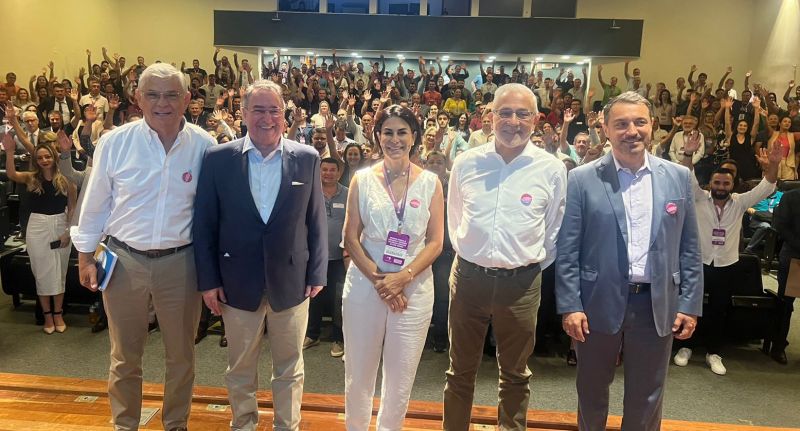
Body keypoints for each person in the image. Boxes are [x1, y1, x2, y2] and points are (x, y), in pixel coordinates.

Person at [73, 63, 215, 431]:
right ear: (138, 98)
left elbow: (213, 212)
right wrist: (85, 257)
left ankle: (175, 424)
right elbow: (95, 203)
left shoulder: (205, 145)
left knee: (181, 356)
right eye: (152, 94)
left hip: (181, 263)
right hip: (123, 261)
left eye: (171, 95)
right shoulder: (114, 143)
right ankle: (125, 425)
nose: (162, 103)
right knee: (124, 356)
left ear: (186, 99)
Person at [556, 91, 703, 430]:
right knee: (591, 390)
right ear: (605, 129)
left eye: (640, 122)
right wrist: (570, 305)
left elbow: (689, 247)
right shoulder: (582, 178)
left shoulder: (678, 177)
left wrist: (689, 303)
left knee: (647, 395)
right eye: (621, 124)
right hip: (595, 303)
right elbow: (568, 249)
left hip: (656, 304)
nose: (631, 131)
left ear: (653, 126)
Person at [193, 80, 327, 431]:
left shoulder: (307, 158)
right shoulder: (218, 159)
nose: (267, 118)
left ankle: (287, 426)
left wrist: (317, 273)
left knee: (290, 368)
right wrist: (208, 282)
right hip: (237, 284)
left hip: (292, 284)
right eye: (259, 109)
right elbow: (204, 224)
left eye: (274, 110)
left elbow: (316, 221)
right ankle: (244, 425)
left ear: (285, 115)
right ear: (243, 113)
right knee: (240, 369)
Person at [445, 83, 567, 430]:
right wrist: (474, 255)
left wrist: (523, 265)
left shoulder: (550, 169)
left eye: (522, 113)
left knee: (515, 374)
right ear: (490, 116)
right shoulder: (467, 163)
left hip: (522, 283)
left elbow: (553, 228)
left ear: (536, 119)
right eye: (505, 112)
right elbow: (455, 219)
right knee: (459, 371)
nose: (513, 121)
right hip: (468, 279)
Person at [341, 104, 444, 430]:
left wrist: (402, 278)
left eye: (402, 132)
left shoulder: (431, 183)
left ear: (414, 137)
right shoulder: (362, 179)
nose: (395, 139)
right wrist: (381, 281)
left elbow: (436, 241)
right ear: (377, 136)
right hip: (364, 286)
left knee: (400, 378)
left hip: (414, 289)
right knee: (359, 372)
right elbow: (350, 236)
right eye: (388, 132)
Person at [673, 133, 781, 375]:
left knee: (719, 310)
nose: (721, 187)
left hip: (726, 264)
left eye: (726, 184)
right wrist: (689, 153)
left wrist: (774, 165)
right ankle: (685, 346)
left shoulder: (741, 202)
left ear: (733, 185)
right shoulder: (699, 198)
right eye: (717, 183)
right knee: (691, 306)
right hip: (698, 263)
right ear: (710, 184)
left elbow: (768, 186)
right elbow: (686, 176)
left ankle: (714, 352)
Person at [2, 132, 76, 333]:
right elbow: (11, 174)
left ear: (54, 157)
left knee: (59, 271)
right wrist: (9, 152)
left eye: (47, 156)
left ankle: (59, 313)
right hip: (37, 227)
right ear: (36, 160)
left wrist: (68, 232)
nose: (44, 160)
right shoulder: (30, 178)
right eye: (40, 157)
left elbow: (73, 208)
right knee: (42, 272)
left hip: (60, 224)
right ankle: (47, 317)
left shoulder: (67, 180)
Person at [303, 157, 348, 358]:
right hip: (315, 256)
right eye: (324, 170)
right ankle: (312, 334)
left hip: (341, 257)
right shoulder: (310, 193)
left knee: (339, 299)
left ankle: (339, 338)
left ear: (339, 173)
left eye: (332, 170)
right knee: (314, 297)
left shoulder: (348, 194)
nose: (328, 173)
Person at [768, 187, 800, 364]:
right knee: (786, 304)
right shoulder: (790, 197)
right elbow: (781, 226)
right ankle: (778, 346)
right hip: (794, 256)